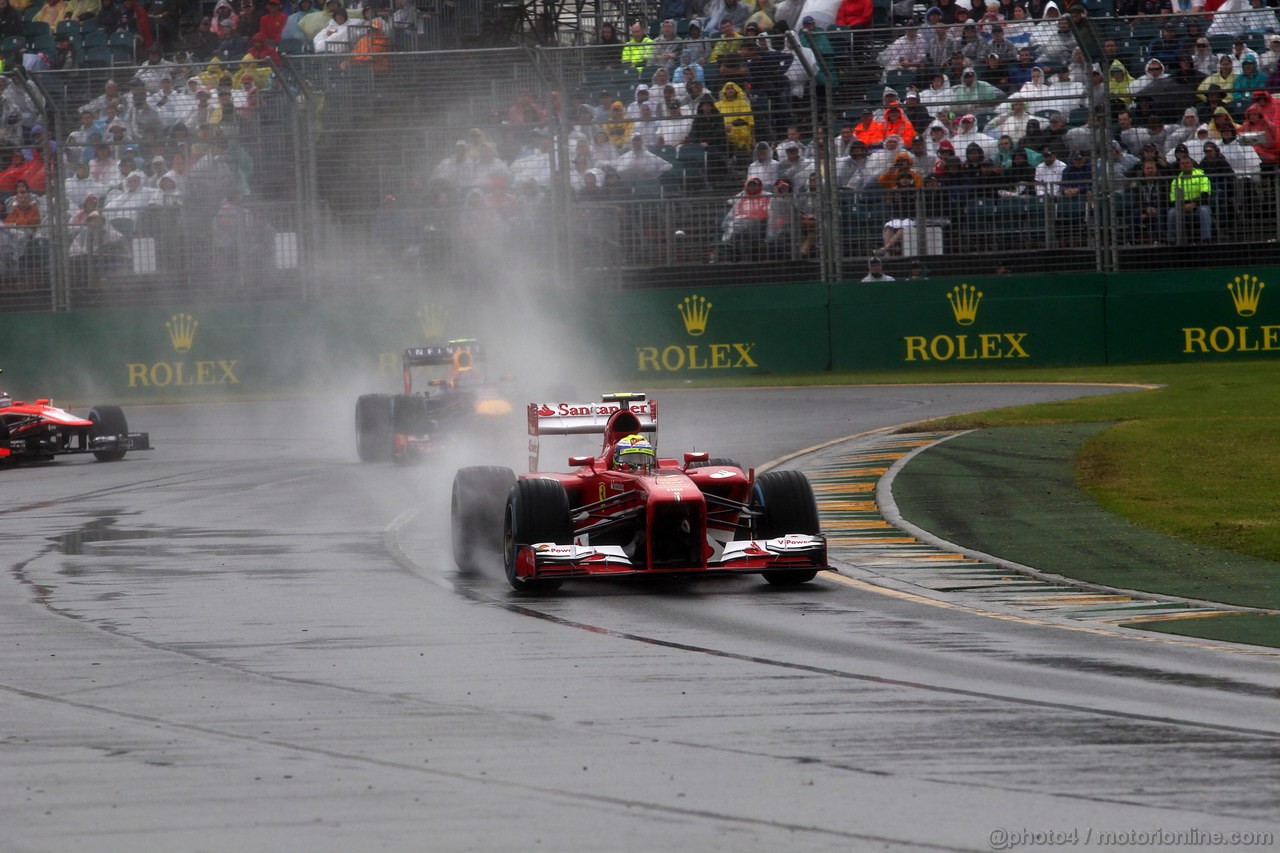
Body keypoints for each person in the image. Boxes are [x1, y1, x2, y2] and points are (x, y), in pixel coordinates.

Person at [1166, 153, 1212, 244]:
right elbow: (1172, 199)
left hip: (1198, 205)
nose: (1185, 165)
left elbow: (1205, 194)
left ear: (1192, 164)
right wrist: (1183, 206)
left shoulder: (1202, 177)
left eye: (1187, 163)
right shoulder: (1176, 180)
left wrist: (1194, 204)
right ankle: (1171, 241)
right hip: (1182, 207)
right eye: (1183, 163)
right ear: (1180, 166)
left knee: (1204, 210)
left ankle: (1206, 239)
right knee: (1172, 212)